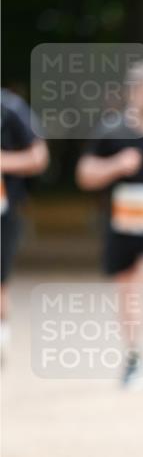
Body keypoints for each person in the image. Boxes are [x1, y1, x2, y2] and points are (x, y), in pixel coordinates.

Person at [75, 61, 143, 386]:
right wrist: (116, 166)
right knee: (127, 291)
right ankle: (134, 358)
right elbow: (85, 175)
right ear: (135, 91)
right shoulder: (112, 131)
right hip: (121, 224)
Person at [1, 88, 49, 361]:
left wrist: (4, 162)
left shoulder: (10, 107)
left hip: (4, 212)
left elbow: (39, 157)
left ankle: (2, 336)